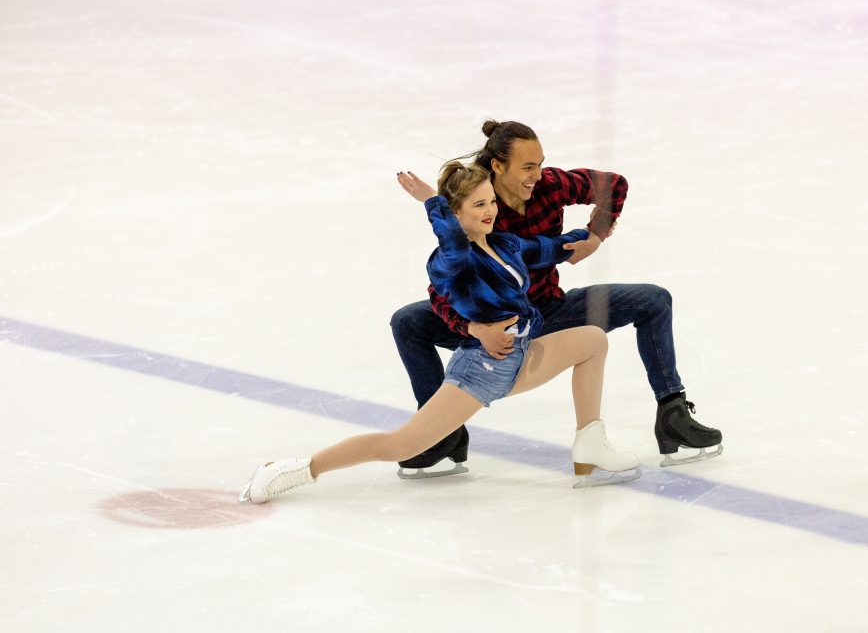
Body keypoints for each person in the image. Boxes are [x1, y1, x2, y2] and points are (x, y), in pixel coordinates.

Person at [239, 162, 641, 504]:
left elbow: (546, 249)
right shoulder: (454, 259)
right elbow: (449, 236)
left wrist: (582, 240)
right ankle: (295, 470)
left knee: (592, 340)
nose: (490, 211)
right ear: (456, 212)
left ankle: (589, 444)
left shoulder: (504, 244)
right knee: (398, 445)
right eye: (478, 204)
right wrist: (432, 201)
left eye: (492, 201)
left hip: (519, 358)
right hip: (481, 369)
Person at [391, 120, 723, 478]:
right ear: (498, 167)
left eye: (540, 164)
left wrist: (595, 235)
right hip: (493, 327)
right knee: (408, 322)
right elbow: (441, 295)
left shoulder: (550, 184)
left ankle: (673, 414)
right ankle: (441, 434)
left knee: (654, 300)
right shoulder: (474, 202)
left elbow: (614, 185)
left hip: (549, 312)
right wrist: (475, 329)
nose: (537, 175)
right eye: (527, 167)